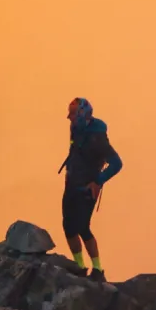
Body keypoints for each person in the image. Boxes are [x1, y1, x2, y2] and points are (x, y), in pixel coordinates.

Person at [60, 97, 122, 282]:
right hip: (72, 184)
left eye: (72, 113)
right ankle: (79, 266)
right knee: (68, 226)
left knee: (82, 227)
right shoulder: (76, 129)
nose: (68, 117)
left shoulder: (98, 138)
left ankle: (97, 269)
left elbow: (117, 163)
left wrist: (98, 181)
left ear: (81, 115)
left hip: (87, 188)